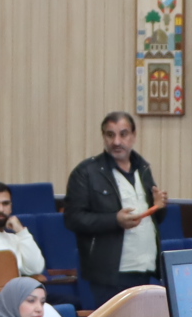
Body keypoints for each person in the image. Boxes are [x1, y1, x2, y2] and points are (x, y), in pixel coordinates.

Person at [63, 112, 166, 306]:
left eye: (123, 134)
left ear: (133, 136)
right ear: (103, 136)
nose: (116, 141)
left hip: (144, 267)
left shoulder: (143, 169)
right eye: (110, 135)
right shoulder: (86, 172)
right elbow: (73, 219)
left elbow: (152, 220)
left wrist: (159, 207)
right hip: (110, 274)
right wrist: (114, 220)